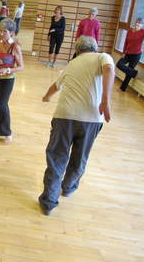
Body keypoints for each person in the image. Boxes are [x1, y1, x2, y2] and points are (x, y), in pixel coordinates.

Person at [38, 36, 114, 216]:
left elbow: (56, 86)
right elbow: (109, 69)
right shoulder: (103, 56)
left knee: (57, 157)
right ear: (94, 48)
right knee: (80, 157)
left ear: (77, 50)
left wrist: (47, 97)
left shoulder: (73, 63)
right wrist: (105, 101)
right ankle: (68, 186)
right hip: (91, 118)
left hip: (65, 116)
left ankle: (49, 202)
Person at [0, 18, 24, 143]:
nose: (1, 34)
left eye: (4, 32)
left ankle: (7, 132)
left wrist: (7, 70)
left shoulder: (15, 47)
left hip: (7, 80)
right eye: (0, 31)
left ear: (12, 33)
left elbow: (21, 67)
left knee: (2, 104)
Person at [116, 17, 144, 91]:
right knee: (119, 64)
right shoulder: (130, 31)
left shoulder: (142, 32)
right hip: (127, 53)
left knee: (128, 73)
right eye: (137, 22)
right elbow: (126, 42)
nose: (137, 24)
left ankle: (122, 88)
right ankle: (134, 73)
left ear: (142, 25)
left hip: (136, 55)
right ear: (135, 23)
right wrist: (123, 52)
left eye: (139, 23)